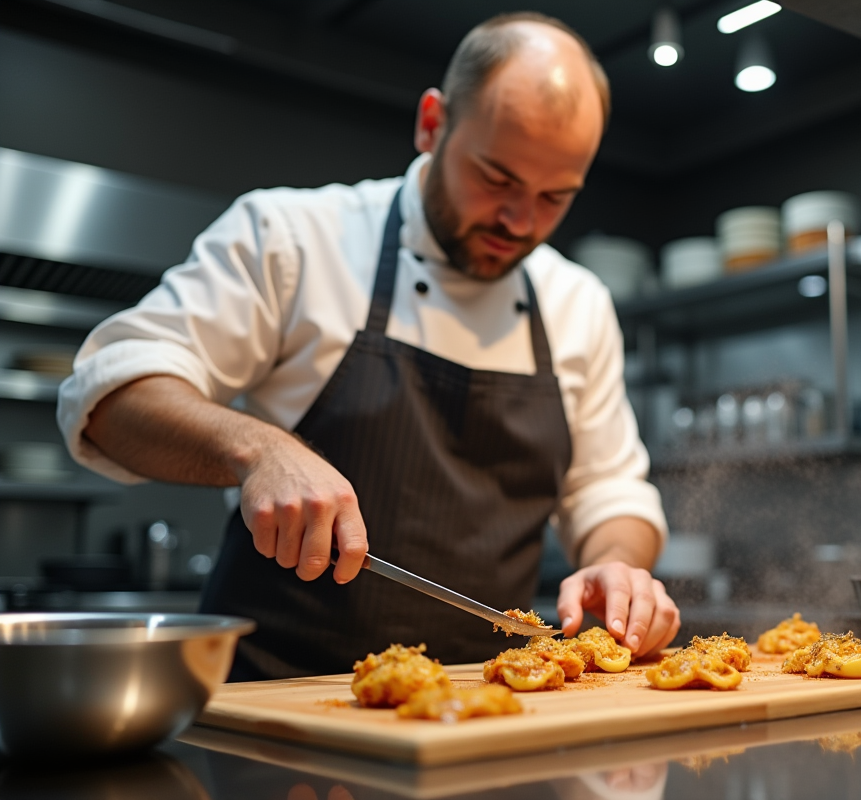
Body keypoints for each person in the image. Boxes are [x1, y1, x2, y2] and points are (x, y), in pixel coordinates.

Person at [57, 12, 679, 680]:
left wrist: (619, 563)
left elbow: (610, 490)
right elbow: (109, 390)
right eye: (496, 178)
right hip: (280, 712)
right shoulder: (293, 238)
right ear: (432, 125)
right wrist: (261, 450)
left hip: (487, 710)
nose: (520, 221)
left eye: (555, 197)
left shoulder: (577, 301)